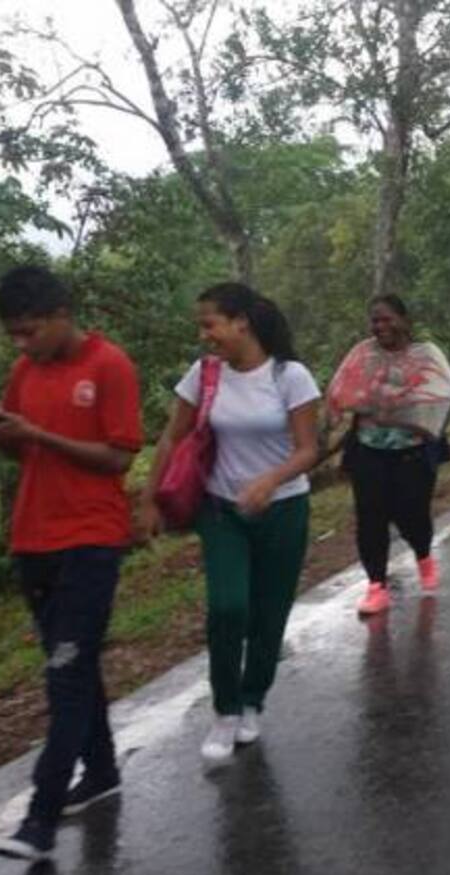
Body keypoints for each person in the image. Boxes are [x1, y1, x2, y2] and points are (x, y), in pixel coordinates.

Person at [0, 266, 143, 861]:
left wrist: (36, 433)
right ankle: (101, 770)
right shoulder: (25, 372)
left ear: (62, 313)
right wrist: (5, 435)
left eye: (30, 331)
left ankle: (38, 820)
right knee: (73, 663)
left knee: (64, 676)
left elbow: (117, 459)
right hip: (32, 539)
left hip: (90, 540)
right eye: (13, 335)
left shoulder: (109, 366)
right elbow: (27, 451)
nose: (22, 344)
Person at [141, 283, 320, 765]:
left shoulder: (290, 376)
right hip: (221, 510)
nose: (205, 335)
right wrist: (149, 499)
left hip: (283, 511)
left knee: (268, 614)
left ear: (241, 321)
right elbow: (170, 437)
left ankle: (251, 700)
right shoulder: (204, 374)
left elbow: (308, 450)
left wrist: (270, 480)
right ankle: (223, 709)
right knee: (227, 607)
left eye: (209, 324)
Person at [327, 295, 450, 615]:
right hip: (369, 449)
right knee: (370, 517)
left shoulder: (425, 354)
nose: (381, 326)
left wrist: (393, 405)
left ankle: (423, 553)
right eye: (375, 320)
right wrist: (367, 403)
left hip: (412, 452)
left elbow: (445, 390)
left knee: (411, 514)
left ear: (404, 319)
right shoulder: (362, 353)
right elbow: (341, 391)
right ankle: (376, 585)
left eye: (387, 319)